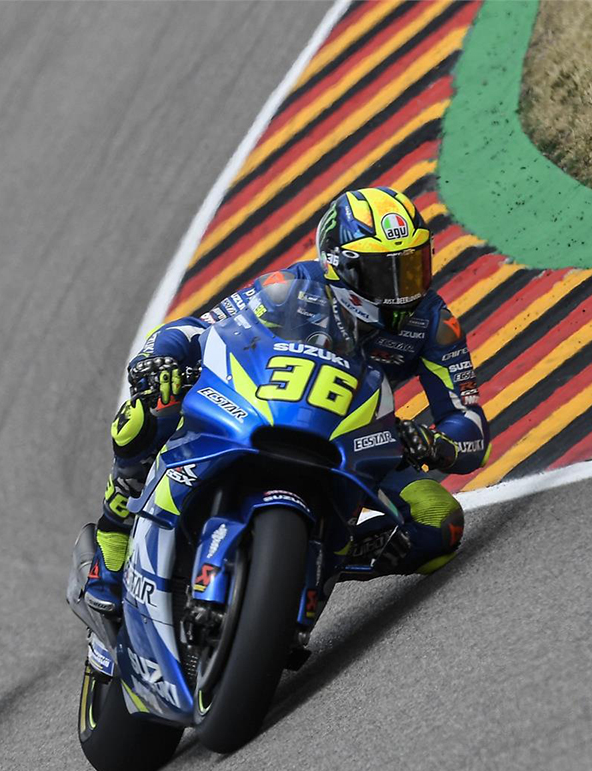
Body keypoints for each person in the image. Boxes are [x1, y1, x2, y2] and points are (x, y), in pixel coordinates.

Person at [83, 186, 490, 616]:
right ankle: (112, 543)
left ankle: (312, 565)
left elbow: (470, 427)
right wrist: (158, 357)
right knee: (149, 410)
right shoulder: (292, 284)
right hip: (268, 405)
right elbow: (199, 328)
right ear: (341, 266)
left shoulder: (434, 323)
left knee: (439, 520)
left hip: (357, 435)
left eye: (412, 267)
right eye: (385, 273)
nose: (404, 289)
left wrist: (434, 442)